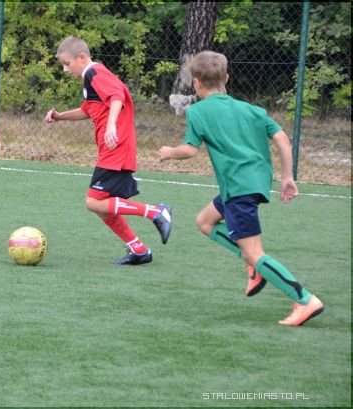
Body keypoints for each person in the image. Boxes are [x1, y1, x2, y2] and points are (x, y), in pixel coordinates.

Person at [158, 51, 324, 326]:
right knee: (205, 221)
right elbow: (282, 139)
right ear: (226, 78)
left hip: (238, 189)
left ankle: (305, 300)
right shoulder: (252, 110)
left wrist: (169, 152)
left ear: (196, 82)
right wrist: (287, 177)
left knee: (255, 251)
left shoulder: (198, 111)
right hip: (252, 184)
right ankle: (252, 265)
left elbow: (189, 150)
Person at [45, 36, 172, 265]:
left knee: (93, 202)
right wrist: (60, 116)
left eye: (67, 63)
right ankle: (139, 250)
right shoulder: (89, 78)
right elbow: (88, 109)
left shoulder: (95, 73)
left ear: (81, 57)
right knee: (102, 206)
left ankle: (156, 212)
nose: (65, 69)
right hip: (112, 148)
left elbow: (117, 96)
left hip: (116, 147)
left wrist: (111, 124)